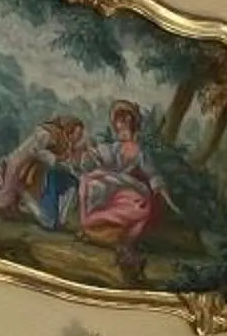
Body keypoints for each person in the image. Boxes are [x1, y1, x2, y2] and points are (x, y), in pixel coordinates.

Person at [72, 100, 171, 250]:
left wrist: (164, 194)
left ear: (132, 128)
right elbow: (100, 157)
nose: (121, 128)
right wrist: (89, 152)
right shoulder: (115, 147)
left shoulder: (139, 152)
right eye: (119, 125)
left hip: (129, 188)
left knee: (135, 207)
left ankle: (105, 234)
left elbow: (152, 174)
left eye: (125, 125)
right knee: (90, 182)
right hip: (113, 185)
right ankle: (92, 228)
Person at [0, 113, 84, 229]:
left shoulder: (65, 141)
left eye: (80, 135)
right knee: (14, 189)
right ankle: (9, 209)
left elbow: (62, 159)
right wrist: (54, 159)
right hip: (24, 163)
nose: (79, 137)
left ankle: (42, 216)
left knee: (31, 190)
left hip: (38, 166)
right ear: (69, 130)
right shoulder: (49, 134)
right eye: (78, 134)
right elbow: (35, 151)